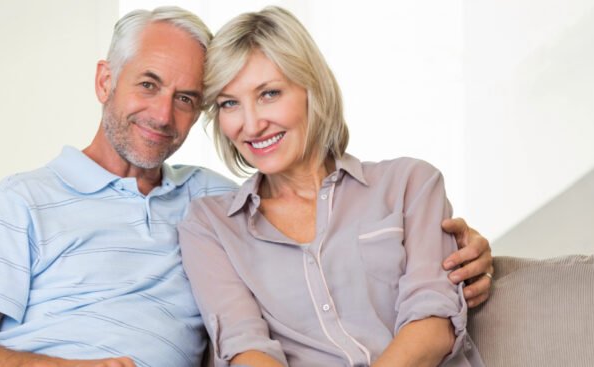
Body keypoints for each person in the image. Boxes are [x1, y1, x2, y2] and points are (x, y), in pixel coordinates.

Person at [0, 6, 492, 367]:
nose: (163, 115)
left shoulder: (214, 206)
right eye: (146, 85)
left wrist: (460, 252)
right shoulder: (26, 198)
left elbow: (317, 215)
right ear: (104, 80)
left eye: (188, 98)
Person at [178, 6, 485, 367]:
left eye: (269, 94)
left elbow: (432, 326)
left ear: (311, 89)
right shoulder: (211, 225)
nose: (252, 124)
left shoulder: (411, 184)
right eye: (230, 103)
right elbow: (246, 348)